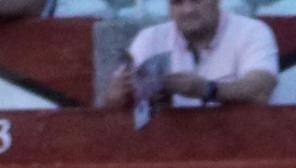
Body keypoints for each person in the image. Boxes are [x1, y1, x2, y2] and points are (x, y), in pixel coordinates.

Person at [102, 0, 278, 111]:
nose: (188, 10)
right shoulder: (150, 38)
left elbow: (261, 90)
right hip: (168, 148)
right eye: (177, 2)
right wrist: (117, 97)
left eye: (196, 1)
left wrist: (207, 90)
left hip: (238, 145)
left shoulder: (252, 31)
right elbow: (113, 114)